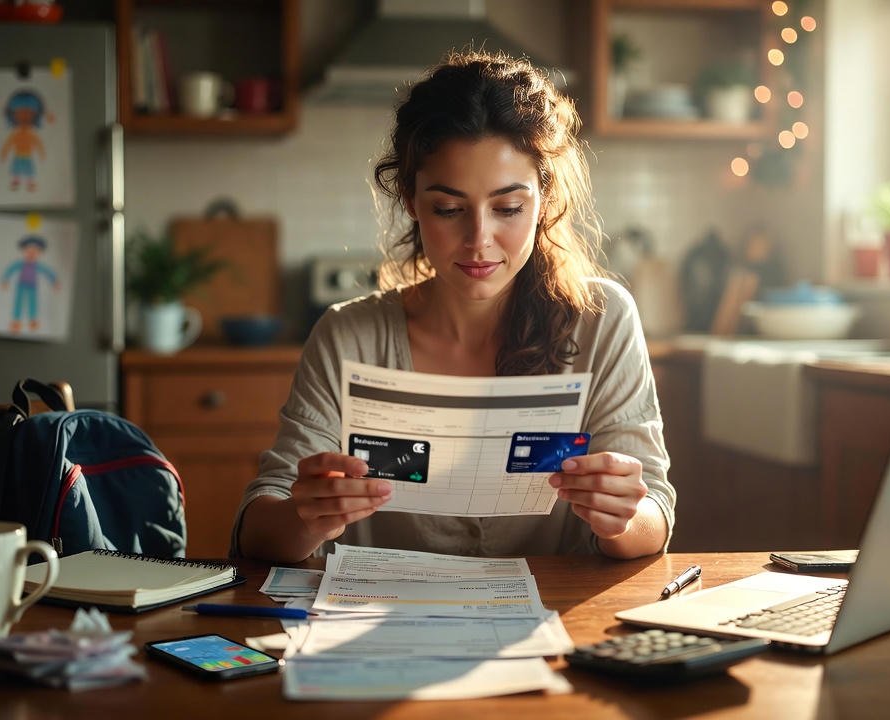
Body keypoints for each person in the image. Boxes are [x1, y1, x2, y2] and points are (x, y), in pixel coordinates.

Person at [233, 51, 673, 563]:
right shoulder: (347, 336)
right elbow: (257, 533)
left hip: (555, 624)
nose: (478, 240)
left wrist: (621, 514)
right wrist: (304, 517)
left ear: (545, 199)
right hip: (376, 626)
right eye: (448, 209)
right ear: (411, 200)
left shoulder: (602, 320)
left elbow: (654, 517)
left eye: (509, 208)